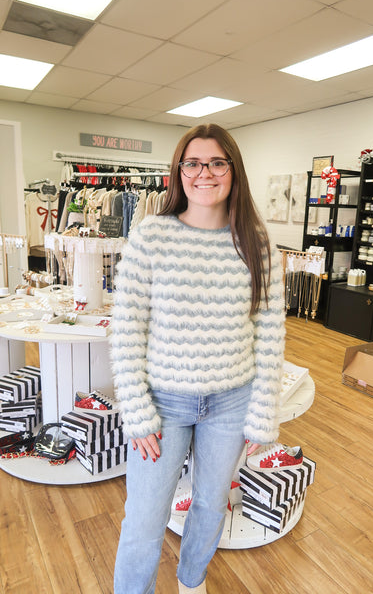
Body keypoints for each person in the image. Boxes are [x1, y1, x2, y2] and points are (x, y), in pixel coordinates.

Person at [111, 123, 286, 594]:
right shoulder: (151, 235)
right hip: (163, 404)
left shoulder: (256, 241)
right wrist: (137, 410)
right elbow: (128, 329)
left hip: (232, 400)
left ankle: (192, 582)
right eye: (192, 162)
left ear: (233, 170)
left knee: (211, 506)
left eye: (216, 162)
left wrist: (261, 413)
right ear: (178, 171)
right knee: (144, 522)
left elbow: (269, 333)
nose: (203, 172)